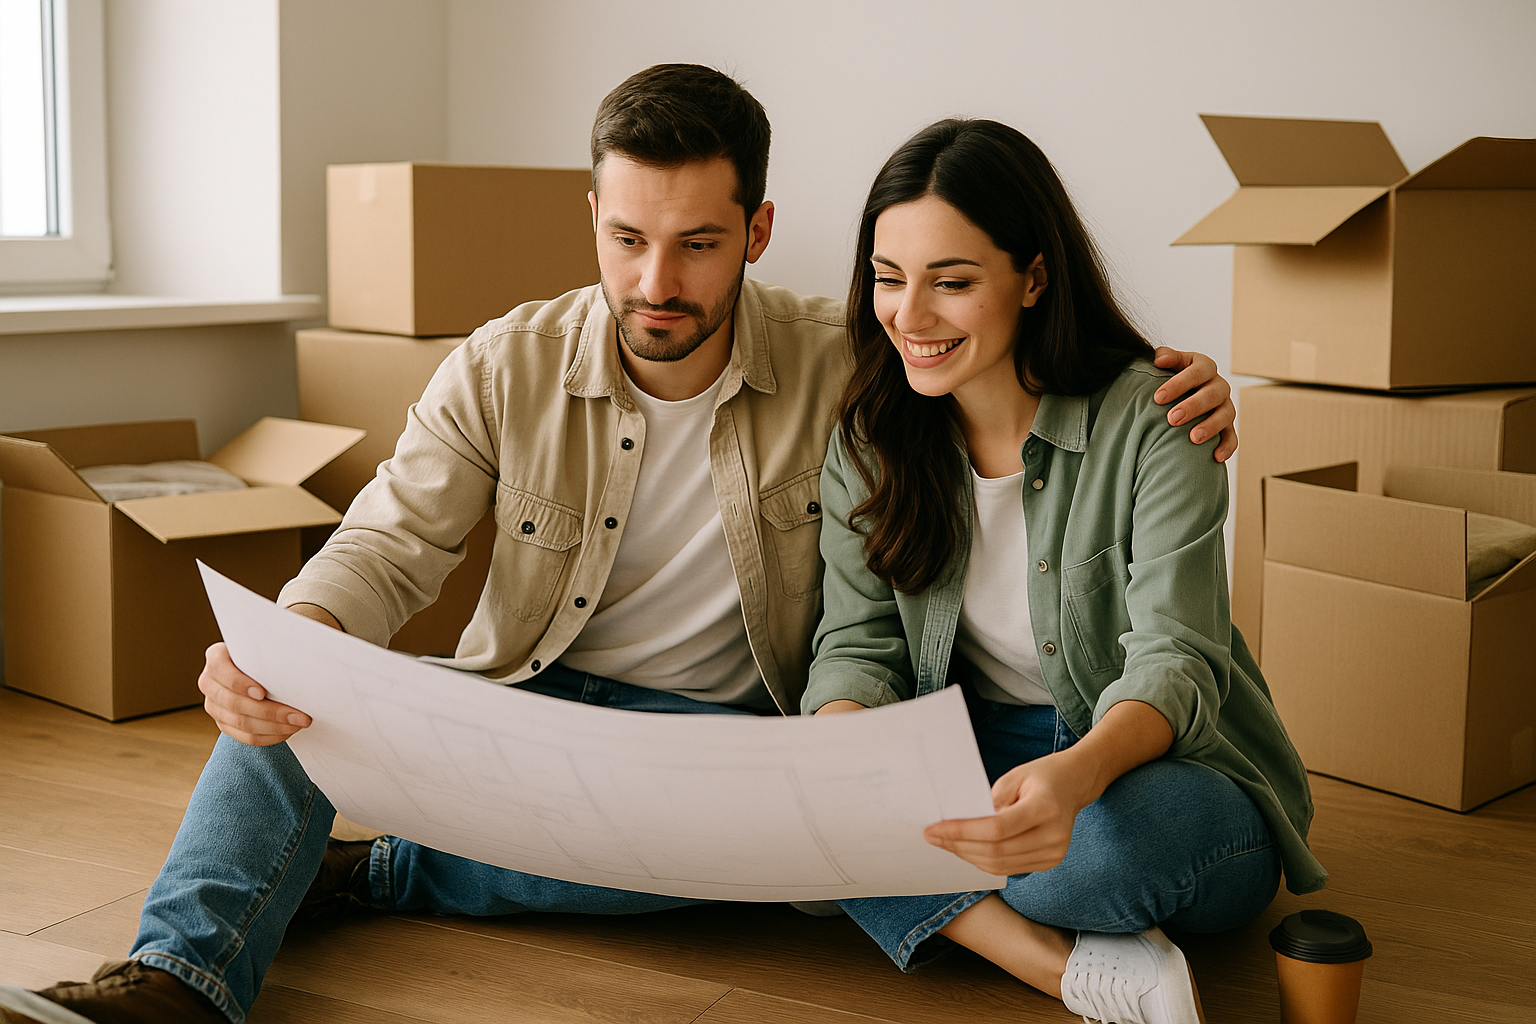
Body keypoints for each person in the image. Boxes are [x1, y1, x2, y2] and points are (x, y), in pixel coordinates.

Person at [0, 70, 1236, 1024]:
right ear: (591, 214)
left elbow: (1019, 379)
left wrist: (1182, 386)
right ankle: (176, 982)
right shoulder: (503, 364)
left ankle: (388, 872)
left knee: (770, 840)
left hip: (726, 739)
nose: (658, 280)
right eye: (628, 237)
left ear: (756, 230)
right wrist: (301, 643)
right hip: (524, 712)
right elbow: (385, 545)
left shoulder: (852, 363)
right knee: (280, 694)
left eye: (699, 243)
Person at [803, 118, 1325, 1024]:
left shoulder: (1158, 421)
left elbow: (1177, 660)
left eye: (953, 283)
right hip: (977, 750)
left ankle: (978, 901)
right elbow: (857, 644)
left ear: (1033, 277)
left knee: (1093, 859)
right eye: (890, 279)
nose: (911, 318)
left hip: (1151, 765)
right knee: (804, 812)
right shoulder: (870, 439)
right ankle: (1065, 970)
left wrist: (1074, 779)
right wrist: (845, 747)